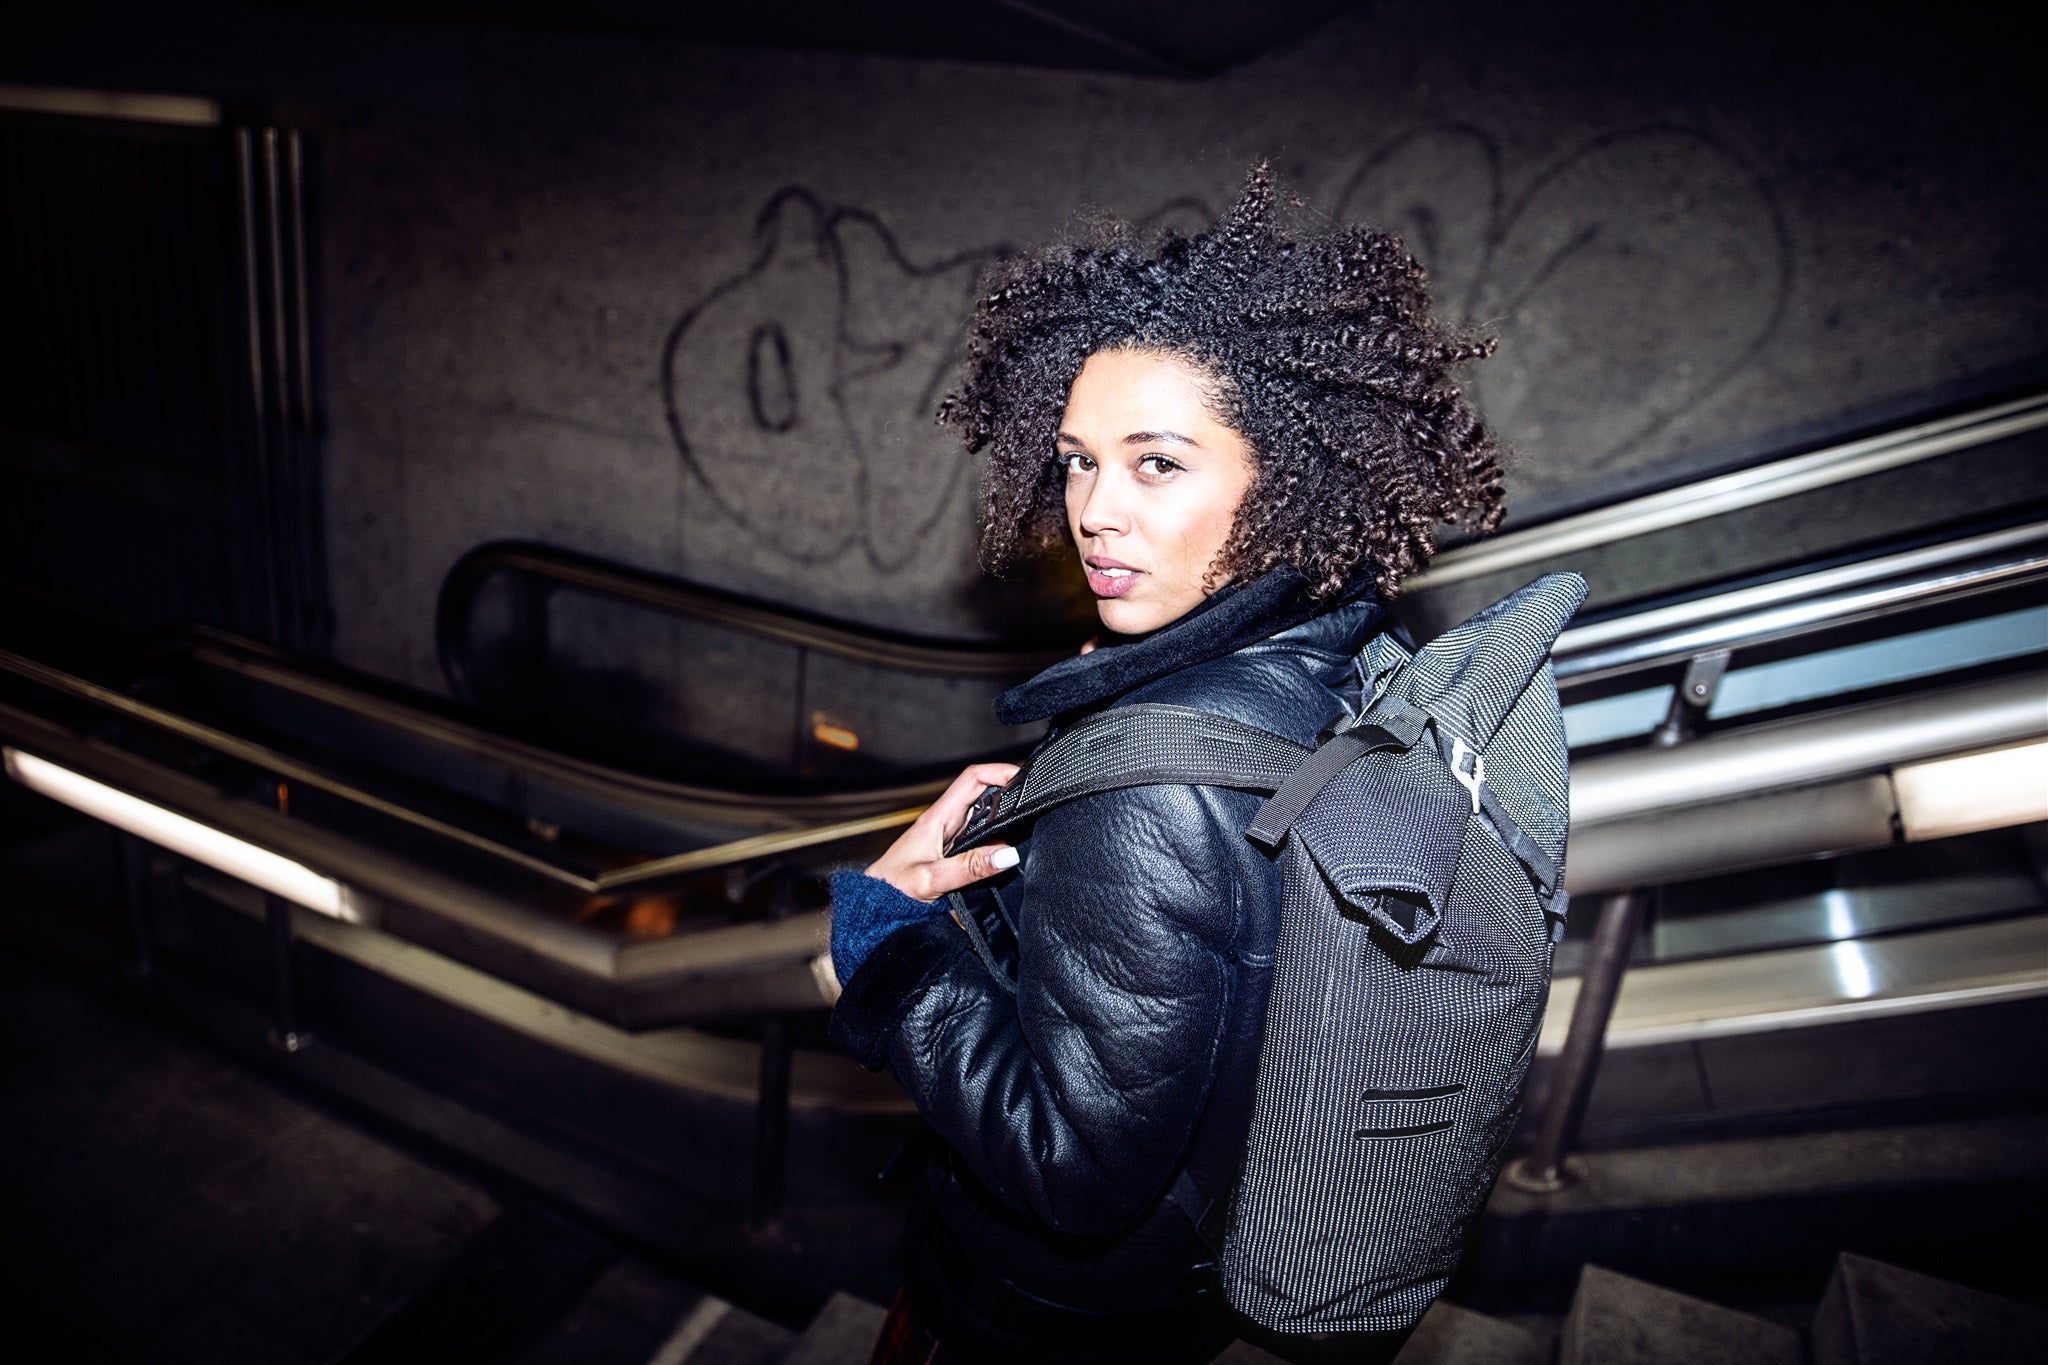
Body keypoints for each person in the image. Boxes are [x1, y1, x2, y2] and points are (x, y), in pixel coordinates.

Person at [824, 166, 1507, 1365]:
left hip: (1027, 1329)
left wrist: (882, 950)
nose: (1091, 510)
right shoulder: (1343, 652)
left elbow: (1074, 1168)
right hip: (1175, 1288)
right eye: (1076, 460)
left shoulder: (1155, 792)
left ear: (1284, 478)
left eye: (1154, 463)